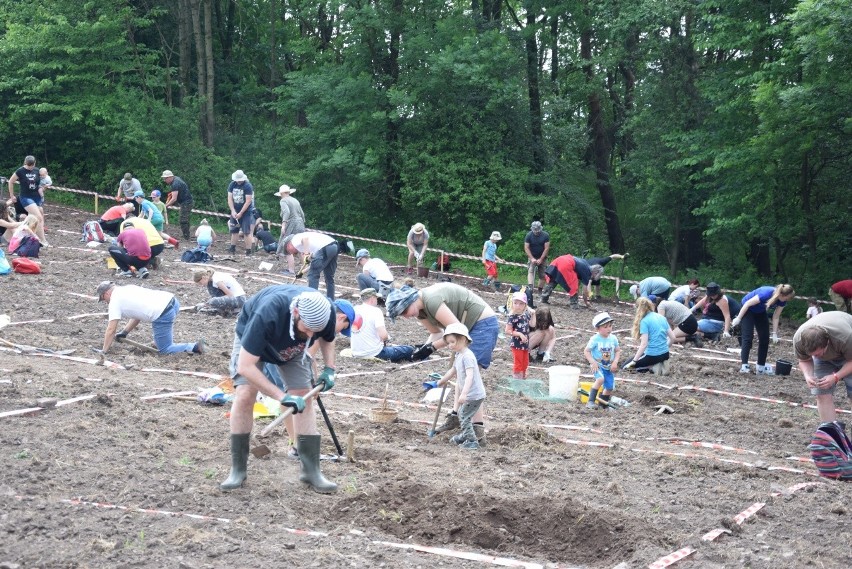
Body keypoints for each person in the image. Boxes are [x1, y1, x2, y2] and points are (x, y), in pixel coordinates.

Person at [219, 286, 353, 494]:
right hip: (254, 344)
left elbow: (328, 338)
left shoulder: (322, 314)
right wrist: (282, 396)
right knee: (245, 394)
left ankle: (311, 470)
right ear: (297, 313)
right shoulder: (266, 315)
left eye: (314, 332)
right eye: (307, 329)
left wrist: (329, 369)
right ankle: (238, 469)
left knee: (304, 396)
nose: (310, 335)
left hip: (292, 350)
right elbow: (245, 366)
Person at [385, 282, 499, 442]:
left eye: (404, 311)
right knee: (460, 374)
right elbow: (436, 333)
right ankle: (455, 418)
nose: (405, 316)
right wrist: (423, 349)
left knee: (470, 378)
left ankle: (477, 431)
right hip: (466, 327)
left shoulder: (431, 300)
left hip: (482, 325)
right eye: (401, 315)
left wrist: (431, 348)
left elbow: (456, 330)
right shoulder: (420, 311)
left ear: (410, 301)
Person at [96, 281, 205, 355]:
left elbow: (111, 330)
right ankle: (161, 341)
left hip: (162, 313)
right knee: (161, 339)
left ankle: (195, 346)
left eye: (103, 298)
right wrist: (124, 332)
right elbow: (137, 315)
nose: (105, 301)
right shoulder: (127, 288)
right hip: (172, 301)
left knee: (165, 349)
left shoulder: (114, 301)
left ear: (106, 293)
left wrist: (104, 350)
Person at [434, 323, 486, 450]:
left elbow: (470, 376)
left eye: (452, 342)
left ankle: (472, 441)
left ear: (463, 339)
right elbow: (453, 370)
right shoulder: (459, 355)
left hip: (474, 394)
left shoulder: (468, 356)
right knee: (464, 415)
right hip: (470, 394)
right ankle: (465, 436)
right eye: (448, 343)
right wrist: (442, 381)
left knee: (463, 416)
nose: (450, 345)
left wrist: (463, 394)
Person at [793, 312, 852, 422]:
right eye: (813, 355)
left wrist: (835, 377)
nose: (816, 356)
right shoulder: (798, 341)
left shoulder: (845, 336)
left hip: (848, 352)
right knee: (821, 393)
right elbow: (804, 360)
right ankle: (829, 432)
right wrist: (808, 375)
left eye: (819, 353)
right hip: (827, 358)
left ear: (827, 343)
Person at [732, 284, 795, 375]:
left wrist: (774, 333)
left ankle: (761, 367)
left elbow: (776, 317)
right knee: (748, 337)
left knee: (765, 338)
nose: (786, 301)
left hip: (760, 312)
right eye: (786, 298)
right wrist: (738, 318)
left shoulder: (782, 301)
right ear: (782, 295)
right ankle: (744, 366)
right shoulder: (765, 293)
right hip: (747, 309)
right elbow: (747, 304)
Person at [350, 288, 415, 362]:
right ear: (372, 299)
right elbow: (383, 336)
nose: (377, 301)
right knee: (408, 350)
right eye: (376, 298)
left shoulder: (355, 309)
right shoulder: (376, 311)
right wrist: (386, 338)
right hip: (374, 352)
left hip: (356, 352)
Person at [623, 297, 676, 374]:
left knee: (625, 368)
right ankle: (657, 364)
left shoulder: (644, 321)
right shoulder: (661, 317)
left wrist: (634, 361)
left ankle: (651, 367)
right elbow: (673, 338)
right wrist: (664, 348)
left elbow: (644, 344)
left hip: (652, 355)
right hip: (665, 354)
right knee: (631, 360)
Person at [280, 232, 339, 299]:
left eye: (288, 251)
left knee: (313, 275)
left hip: (325, 248)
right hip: (334, 246)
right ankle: (331, 300)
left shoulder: (294, 240)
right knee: (329, 277)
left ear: (288, 245)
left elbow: (305, 239)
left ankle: (312, 300)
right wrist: (301, 272)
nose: (291, 254)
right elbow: (314, 266)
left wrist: (306, 254)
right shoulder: (307, 245)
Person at [7, 156, 49, 246]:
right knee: (38, 217)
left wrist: (44, 187)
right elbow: (10, 181)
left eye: (32, 165)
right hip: (26, 197)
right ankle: (43, 241)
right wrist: (11, 195)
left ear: (35, 163)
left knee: (35, 216)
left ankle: (25, 236)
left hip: (36, 197)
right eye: (28, 165)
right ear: (25, 163)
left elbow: (42, 182)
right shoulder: (20, 171)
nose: (30, 167)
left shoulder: (37, 170)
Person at [584, 312, 621, 409]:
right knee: (600, 379)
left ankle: (603, 404)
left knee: (609, 387)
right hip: (598, 365)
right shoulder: (595, 339)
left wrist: (615, 362)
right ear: (597, 328)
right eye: (605, 327)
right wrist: (593, 362)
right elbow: (587, 351)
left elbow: (617, 351)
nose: (609, 329)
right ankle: (590, 401)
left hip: (608, 366)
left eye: (610, 326)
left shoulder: (613, 339)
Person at [274, 185, 306, 275]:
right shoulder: (295, 200)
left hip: (291, 224)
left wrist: (283, 225)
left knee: (287, 245)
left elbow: (286, 212)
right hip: (300, 223)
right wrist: (302, 223)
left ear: (282, 193)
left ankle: (291, 270)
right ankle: (306, 269)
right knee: (300, 246)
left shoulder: (283, 200)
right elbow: (302, 213)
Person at [506, 291, 534, 379]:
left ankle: (523, 378)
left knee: (525, 362)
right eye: (515, 303)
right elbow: (508, 330)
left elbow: (533, 325)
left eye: (521, 303)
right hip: (517, 344)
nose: (518, 306)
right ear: (512, 304)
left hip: (525, 343)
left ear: (525, 305)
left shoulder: (525, 315)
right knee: (518, 362)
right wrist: (519, 334)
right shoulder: (512, 317)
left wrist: (534, 314)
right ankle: (517, 380)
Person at [226, 170, 254, 256]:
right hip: (235, 210)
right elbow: (230, 199)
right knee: (234, 230)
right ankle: (232, 247)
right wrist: (233, 211)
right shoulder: (232, 184)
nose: (238, 181)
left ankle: (248, 250)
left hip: (246, 212)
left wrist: (241, 213)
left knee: (246, 231)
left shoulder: (248, 186)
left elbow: (248, 201)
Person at [161, 169, 194, 240]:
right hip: (186, 201)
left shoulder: (175, 184)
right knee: (185, 218)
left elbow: (174, 199)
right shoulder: (176, 179)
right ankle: (186, 234)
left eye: (165, 178)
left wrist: (165, 206)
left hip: (186, 202)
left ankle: (186, 237)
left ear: (169, 177)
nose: (164, 180)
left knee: (183, 220)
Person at [524, 221, 550, 292]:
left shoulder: (545, 235)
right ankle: (530, 287)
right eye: (535, 230)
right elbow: (526, 247)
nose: (536, 232)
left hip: (543, 257)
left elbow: (547, 248)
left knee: (543, 275)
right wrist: (532, 258)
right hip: (532, 256)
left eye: (537, 230)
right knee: (531, 271)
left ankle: (539, 290)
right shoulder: (529, 235)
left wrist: (541, 259)